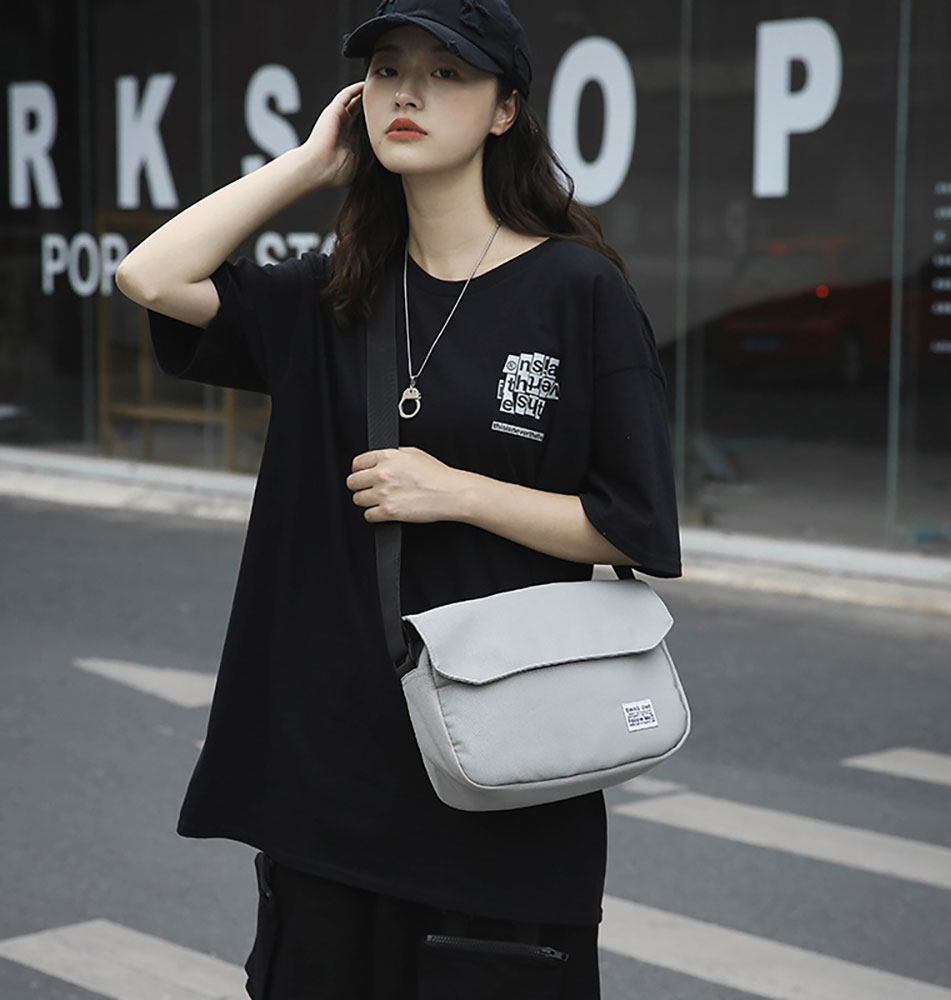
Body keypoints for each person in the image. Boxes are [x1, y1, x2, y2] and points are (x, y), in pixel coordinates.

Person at [114, 0, 682, 996]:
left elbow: (635, 527)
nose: (408, 91)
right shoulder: (335, 294)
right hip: (329, 786)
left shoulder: (577, 293)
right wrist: (307, 166)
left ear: (505, 110)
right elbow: (149, 276)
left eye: (446, 72)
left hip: (500, 780)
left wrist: (457, 491)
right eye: (386, 69)